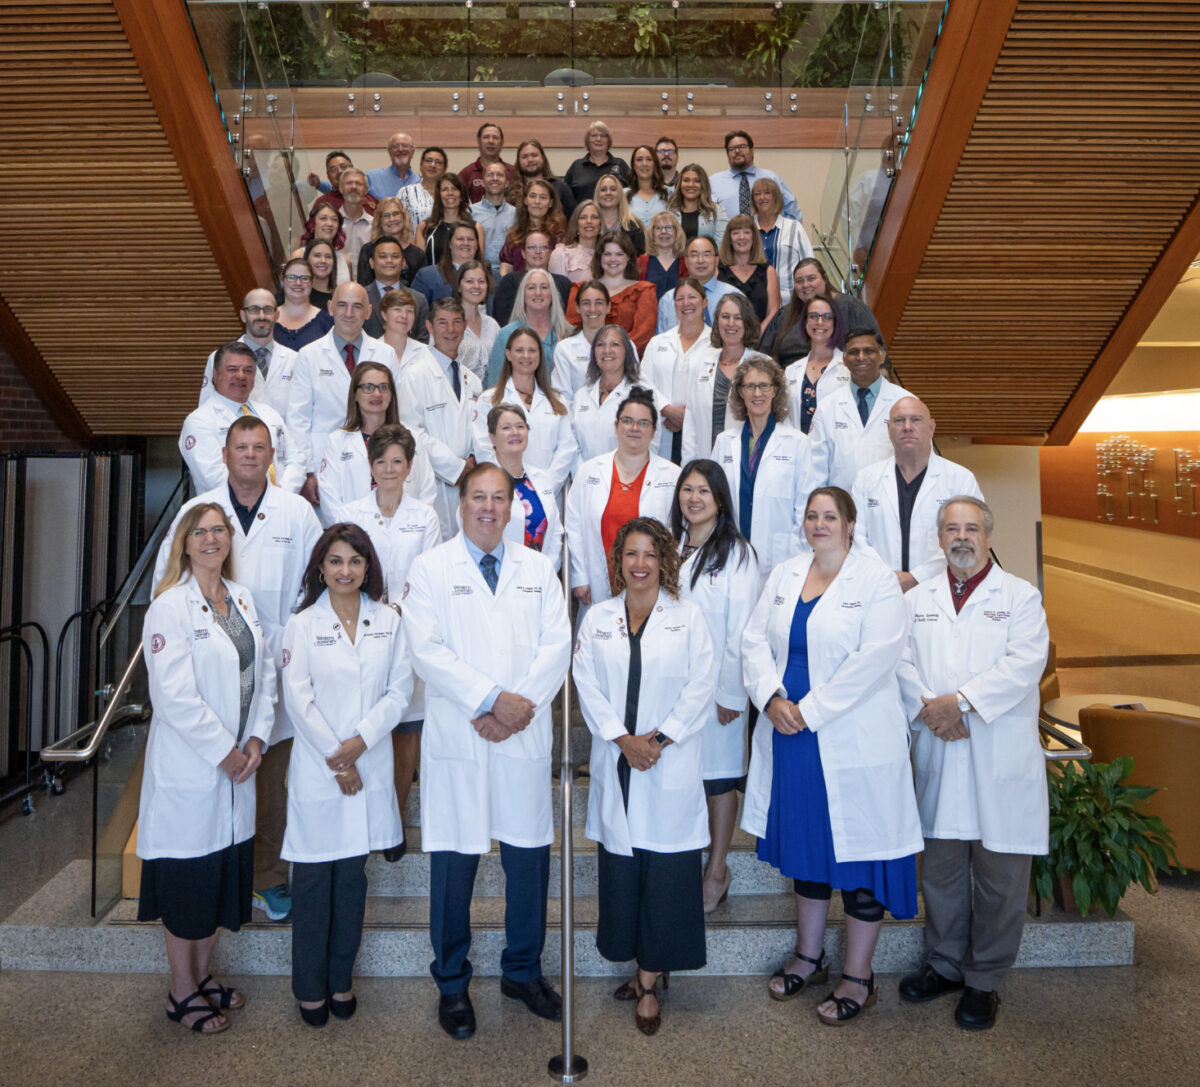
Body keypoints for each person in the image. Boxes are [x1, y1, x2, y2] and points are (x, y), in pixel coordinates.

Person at [741, 487, 923, 1025]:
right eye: (812, 516)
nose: (819, 524)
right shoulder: (786, 574)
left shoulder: (876, 582)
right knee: (808, 852)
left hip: (849, 736)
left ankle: (859, 976)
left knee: (860, 856)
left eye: (830, 517)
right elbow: (752, 641)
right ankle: (809, 955)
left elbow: (876, 660)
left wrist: (809, 710)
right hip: (790, 733)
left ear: (849, 524)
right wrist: (771, 698)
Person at [402, 463, 572, 1040]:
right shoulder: (430, 570)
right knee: (454, 867)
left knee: (528, 863)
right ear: (461, 503)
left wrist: (516, 710)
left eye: (501, 498)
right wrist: (494, 700)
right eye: (479, 496)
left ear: (513, 506)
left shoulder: (538, 568)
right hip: (462, 734)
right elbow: (426, 651)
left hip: (518, 734)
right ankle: (451, 984)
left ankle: (521, 971)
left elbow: (557, 644)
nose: (490, 508)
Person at [155, 416, 324, 923]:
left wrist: (295, 630)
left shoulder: (296, 511)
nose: (250, 455)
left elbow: (317, 580)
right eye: (240, 447)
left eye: (259, 447)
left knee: (269, 779)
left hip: (277, 667)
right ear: (224, 455)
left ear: (272, 455)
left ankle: (268, 878)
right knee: (216, 777)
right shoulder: (195, 511)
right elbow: (168, 584)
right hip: (207, 671)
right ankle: (224, 882)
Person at [895, 497, 1049, 1031]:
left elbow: (1024, 665)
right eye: (951, 529)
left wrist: (958, 703)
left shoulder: (1021, 597)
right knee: (939, 874)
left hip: (996, 751)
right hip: (940, 746)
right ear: (939, 539)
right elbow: (900, 661)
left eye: (971, 528)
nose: (961, 537)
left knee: (1000, 878)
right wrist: (932, 711)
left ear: (988, 534)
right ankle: (942, 965)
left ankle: (984, 980)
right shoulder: (919, 600)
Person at [572, 517, 715, 1035]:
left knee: (665, 880)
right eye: (630, 554)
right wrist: (621, 739)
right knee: (625, 877)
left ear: (664, 561)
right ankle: (638, 968)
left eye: (649, 554)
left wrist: (658, 740)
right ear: (618, 561)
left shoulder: (688, 617)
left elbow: (701, 684)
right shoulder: (599, 619)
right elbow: (585, 682)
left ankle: (650, 984)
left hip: (666, 761)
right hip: (620, 761)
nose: (639, 564)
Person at [138, 501, 274, 1035]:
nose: (212, 539)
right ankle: (180, 991)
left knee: (218, 879)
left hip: (239, 768)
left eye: (220, 530)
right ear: (184, 543)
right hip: (195, 770)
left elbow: (263, 677)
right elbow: (173, 697)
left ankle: (201, 977)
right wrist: (226, 752)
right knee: (188, 882)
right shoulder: (169, 607)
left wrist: (258, 737)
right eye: (201, 532)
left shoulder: (240, 598)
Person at [281, 523, 413, 1027]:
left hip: (369, 762)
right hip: (322, 770)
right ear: (321, 567)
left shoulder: (388, 621)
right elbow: (299, 699)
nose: (345, 570)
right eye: (336, 561)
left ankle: (341, 978)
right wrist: (339, 758)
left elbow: (399, 692)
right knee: (314, 883)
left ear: (367, 568)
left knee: (351, 884)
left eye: (355, 561)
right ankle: (309, 987)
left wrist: (360, 742)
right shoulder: (302, 625)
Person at [341, 425, 441, 865]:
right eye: (381, 462)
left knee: (405, 731)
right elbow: (342, 572)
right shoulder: (351, 514)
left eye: (397, 462)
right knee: (369, 727)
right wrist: (374, 614)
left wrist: (396, 612)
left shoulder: (426, 516)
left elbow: (427, 577)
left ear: (409, 467)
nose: (388, 469)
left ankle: (395, 821)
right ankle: (364, 820)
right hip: (360, 633)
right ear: (370, 466)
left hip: (409, 630)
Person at [670, 462, 758, 912]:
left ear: (720, 500)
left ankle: (717, 869)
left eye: (704, 490)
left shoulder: (737, 554)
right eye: (687, 489)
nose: (694, 498)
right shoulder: (669, 547)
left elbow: (743, 630)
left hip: (718, 693)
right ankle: (687, 866)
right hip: (673, 691)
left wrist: (730, 694)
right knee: (685, 778)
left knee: (719, 782)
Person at [286, 282, 401, 507]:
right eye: (342, 305)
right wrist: (307, 472)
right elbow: (297, 419)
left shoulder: (386, 354)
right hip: (323, 465)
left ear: (369, 312)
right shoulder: (309, 356)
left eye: (357, 306)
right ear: (330, 308)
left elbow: (395, 412)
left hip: (376, 460)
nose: (349, 313)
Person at [851, 397, 984, 591]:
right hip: (879, 588)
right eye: (899, 420)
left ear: (931, 427)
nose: (907, 427)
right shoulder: (866, 479)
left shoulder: (960, 480)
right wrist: (887, 578)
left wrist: (917, 577)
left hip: (941, 588)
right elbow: (856, 536)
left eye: (916, 419)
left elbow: (972, 537)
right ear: (888, 429)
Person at [565, 387, 680, 608]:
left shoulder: (673, 476)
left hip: (652, 585)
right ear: (616, 426)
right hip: (598, 585)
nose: (634, 428)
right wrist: (580, 577)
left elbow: (678, 535)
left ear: (654, 430)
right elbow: (574, 526)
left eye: (643, 423)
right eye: (627, 421)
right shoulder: (589, 471)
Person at [711, 355, 816, 582]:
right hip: (732, 552)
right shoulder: (724, 442)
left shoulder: (798, 443)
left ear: (775, 391)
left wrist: (796, 554)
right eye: (750, 386)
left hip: (781, 556)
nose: (757, 394)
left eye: (764, 386)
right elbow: (714, 502)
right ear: (740, 392)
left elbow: (805, 505)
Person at [396, 298, 482, 539]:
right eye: (442, 323)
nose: (451, 330)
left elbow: (480, 427)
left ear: (465, 326)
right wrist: (456, 467)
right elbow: (411, 431)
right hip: (434, 483)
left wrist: (474, 459)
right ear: (429, 327)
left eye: (456, 322)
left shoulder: (471, 380)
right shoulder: (414, 375)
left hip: (469, 481)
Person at [317, 361, 437, 526]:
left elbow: (427, 490)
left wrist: (410, 528)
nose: (377, 393)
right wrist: (353, 538)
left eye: (383, 387)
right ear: (355, 395)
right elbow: (330, 500)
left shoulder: (412, 437)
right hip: (354, 538)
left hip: (407, 532)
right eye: (368, 387)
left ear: (391, 394)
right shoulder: (337, 442)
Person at [181, 342, 304, 494]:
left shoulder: (270, 414)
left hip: (281, 505)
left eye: (248, 370)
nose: (241, 376)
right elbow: (213, 477)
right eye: (232, 369)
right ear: (215, 374)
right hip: (226, 513)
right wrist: (264, 496)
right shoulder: (199, 421)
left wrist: (283, 493)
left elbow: (296, 459)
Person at [473, 327, 577, 498]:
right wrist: (508, 486)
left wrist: (546, 486)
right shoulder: (488, 400)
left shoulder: (557, 401)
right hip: (505, 494)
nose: (526, 356)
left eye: (532, 350)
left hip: (549, 493)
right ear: (508, 354)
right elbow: (484, 448)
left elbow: (567, 447)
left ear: (540, 355)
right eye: (519, 350)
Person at [809, 328, 913, 491]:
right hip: (842, 506)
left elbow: (919, 459)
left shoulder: (907, 403)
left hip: (891, 503)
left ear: (882, 356)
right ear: (844, 358)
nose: (861, 357)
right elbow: (816, 469)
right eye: (853, 352)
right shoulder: (828, 407)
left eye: (869, 351)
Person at [477, 402, 564, 567]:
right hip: (498, 576)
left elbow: (555, 532)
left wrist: (547, 569)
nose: (515, 432)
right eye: (506, 428)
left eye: (520, 426)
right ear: (492, 437)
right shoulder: (480, 481)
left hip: (539, 576)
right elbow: (472, 532)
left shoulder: (541, 479)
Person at [568, 325, 668, 465]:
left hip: (628, 477)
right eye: (600, 345)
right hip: (585, 477)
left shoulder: (641, 393)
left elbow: (652, 441)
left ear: (626, 351)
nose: (607, 350)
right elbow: (571, 442)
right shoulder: (581, 395)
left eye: (614, 344)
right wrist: (583, 473)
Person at [644, 278, 716, 465]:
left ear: (704, 302)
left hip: (701, 428)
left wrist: (688, 415)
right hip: (663, 425)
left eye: (692, 297)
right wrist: (667, 409)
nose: (686, 304)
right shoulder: (658, 342)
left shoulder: (717, 345)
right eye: (680, 299)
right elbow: (642, 381)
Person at [679, 291, 756, 463]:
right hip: (706, 460)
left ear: (747, 322)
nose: (731, 323)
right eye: (725, 316)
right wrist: (688, 464)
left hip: (746, 463)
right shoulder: (701, 364)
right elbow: (691, 420)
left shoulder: (762, 365)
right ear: (717, 321)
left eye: (738, 317)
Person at [760, 257, 881, 366]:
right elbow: (764, 356)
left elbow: (876, 347)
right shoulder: (784, 315)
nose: (805, 285)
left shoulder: (851, 308)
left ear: (824, 278)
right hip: (789, 381)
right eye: (799, 281)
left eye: (811, 278)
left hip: (840, 379)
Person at [199, 288, 296, 416]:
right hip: (235, 433)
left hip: (282, 434)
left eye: (267, 310)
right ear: (243, 316)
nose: (261, 316)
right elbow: (206, 407)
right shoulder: (219, 357)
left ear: (276, 316)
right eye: (254, 310)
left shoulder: (295, 359)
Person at [565, 231, 657, 354]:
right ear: (599, 257)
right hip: (584, 359)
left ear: (628, 257)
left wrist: (612, 354)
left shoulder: (643, 291)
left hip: (627, 362)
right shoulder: (580, 289)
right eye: (607, 254)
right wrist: (594, 354)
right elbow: (573, 327)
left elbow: (643, 334)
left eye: (619, 254)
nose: (613, 259)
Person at [485, 267, 572, 388]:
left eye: (544, 287)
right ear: (523, 294)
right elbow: (495, 385)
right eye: (531, 287)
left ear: (553, 294)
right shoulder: (506, 335)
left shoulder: (570, 334)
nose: (538, 293)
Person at [782, 294, 848, 435]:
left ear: (835, 323)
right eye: (813, 316)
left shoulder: (848, 368)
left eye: (827, 317)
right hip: (800, 451)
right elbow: (783, 415)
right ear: (805, 322)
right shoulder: (791, 371)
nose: (819, 322)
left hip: (836, 451)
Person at [656, 235, 744, 333]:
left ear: (716, 260)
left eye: (706, 255)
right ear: (685, 261)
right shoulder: (669, 299)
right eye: (694, 255)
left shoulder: (734, 296)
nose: (700, 260)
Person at [709, 130, 800, 222]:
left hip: (767, 235)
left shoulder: (771, 178)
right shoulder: (714, 181)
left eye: (742, 147)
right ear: (727, 154)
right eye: (732, 149)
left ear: (752, 151)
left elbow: (792, 210)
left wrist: (788, 234)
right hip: (728, 235)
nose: (737, 151)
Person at [493, 229, 572, 326]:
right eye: (531, 247)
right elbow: (504, 319)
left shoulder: (564, 283)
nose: (538, 251)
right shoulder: (509, 282)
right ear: (523, 253)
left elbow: (569, 320)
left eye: (543, 247)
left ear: (550, 253)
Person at [552, 279, 610, 402]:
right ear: (578, 307)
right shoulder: (564, 349)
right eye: (586, 303)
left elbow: (633, 385)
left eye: (599, 302)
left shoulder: (625, 345)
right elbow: (562, 396)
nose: (592, 309)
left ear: (608, 307)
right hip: (576, 418)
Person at [718, 214, 780, 326]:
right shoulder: (717, 271)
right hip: (725, 339)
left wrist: (757, 336)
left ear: (754, 237)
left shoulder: (769, 272)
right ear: (729, 239)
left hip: (760, 339)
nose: (741, 237)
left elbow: (773, 311)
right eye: (735, 233)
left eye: (746, 232)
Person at [363, 237, 429, 340]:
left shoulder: (419, 299)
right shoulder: (361, 297)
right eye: (382, 256)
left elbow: (422, 340)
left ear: (403, 263)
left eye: (395, 256)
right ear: (372, 262)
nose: (389, 261)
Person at [498, 179, 567, 275]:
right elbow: (505, 268)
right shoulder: (514, 234)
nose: (537, 201)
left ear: (550, 203)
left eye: (543, 197)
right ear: (525, 200)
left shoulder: (560, 234)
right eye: (532, 196)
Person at [752, 177, 813, 287]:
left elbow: (809, 263)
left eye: (767, 193)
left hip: (789, 297)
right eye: (757, 194)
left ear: (776, 197)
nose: (762, 197)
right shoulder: (747, 228)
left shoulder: (794, 227)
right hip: (754, 297)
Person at [416, 174, 486, 266]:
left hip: (463, 279)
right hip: (433, 279)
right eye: (445, 189)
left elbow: (478, 264)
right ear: (439, 196)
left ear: (461, 195)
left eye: (454, 189)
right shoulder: (424, 227)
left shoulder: (476, 228)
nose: (450, 193)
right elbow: (420, 265)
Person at [355, 197, 425, 288]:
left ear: (404, 217)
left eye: (396, 214)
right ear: (379, 221)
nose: (392, 219)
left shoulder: (418, 254)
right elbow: (363, 289)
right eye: (386, 215)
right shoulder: (368, 250)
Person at [274, 257, 334, 353]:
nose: (298, 283)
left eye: (304, 278)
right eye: (292, 277)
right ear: (283, 280)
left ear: (312, 282)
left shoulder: (326, 321)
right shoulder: (268, 317)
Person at [454, 260, 500, 384]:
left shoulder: (492, 325)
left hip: (491, 398)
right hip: (459, 397)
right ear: (459, 286)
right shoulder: (448, 324)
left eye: (481, 281)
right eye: (469, 281)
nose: (476, 286)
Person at [565, 120, 631, 203]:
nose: (599, 139)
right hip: (584, 215)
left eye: (603, 136)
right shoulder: (576, 166)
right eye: (594, 135)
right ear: (588, 140)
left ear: (608, 141)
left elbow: (632, 193)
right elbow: (565, 198)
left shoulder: (620, 164)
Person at [511, 138, 576, 219]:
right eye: (524, 157)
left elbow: (573, 220)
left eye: (534, 155)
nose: (530, 160)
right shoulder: (510, 191)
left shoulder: (561, 188)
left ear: (543, 158)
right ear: (518, 161)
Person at [471, 162, 516, 277]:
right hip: (479, 274)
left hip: (509, 274)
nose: (495, 178)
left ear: (506, 183)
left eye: (500, 175)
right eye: (490, 175)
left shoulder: (517, 214)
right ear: (483, 182)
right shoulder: (470, 212)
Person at [377, 287, 436, 373]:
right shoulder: (372, 352)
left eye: (409, 311)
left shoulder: (425, 353)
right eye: (397, 309)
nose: (404, 315)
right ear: (384, 314)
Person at [666, 163, 727, 246]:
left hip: (706, 258)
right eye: (686, 180)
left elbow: (721, 243)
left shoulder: (717, 211)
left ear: (703, 185)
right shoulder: (669, 211)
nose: (691, 185)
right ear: (679, 184)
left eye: (697, 181)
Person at [296, 203, 354, 287]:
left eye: (334, 220)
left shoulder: (345, 260)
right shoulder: (299, 255)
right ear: (312, 225)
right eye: (323, 218)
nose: (329, 223)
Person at [458, 121, 515, 205]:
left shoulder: (513, 172)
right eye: (486, 137)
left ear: (502, 143)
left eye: (495, 137)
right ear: (479, 141)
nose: (490, 141)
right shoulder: (467, 173)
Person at [549, 200, 603, 284]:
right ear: (576, 225)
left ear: (600, 225)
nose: (589, 221)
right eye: (583, 217)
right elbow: (559, 292)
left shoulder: (607, 256)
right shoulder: (562, 254)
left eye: (594, 217)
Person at [638, 211, 688, 300]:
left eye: (669, 227)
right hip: (649, 313)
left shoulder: (687, 263)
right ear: (652, 234)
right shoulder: (640, 263)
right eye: (658, 228)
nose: (663, 231)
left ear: (677, 232)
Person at [397, 146, 449, 230]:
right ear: (420, 165)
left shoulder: (452, 194)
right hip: (414, 242)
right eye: (428, 160)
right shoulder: (406, 192)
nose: (433, 165)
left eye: (438, 162)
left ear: (444, 169)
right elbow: (398, 224)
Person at [594, 173, 646, 255]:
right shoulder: (591, 225)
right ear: (597, 195)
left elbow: (639, 259)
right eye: (603, 190)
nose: (608, 193)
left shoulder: (634, 226)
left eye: (613, 189)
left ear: (620, 194)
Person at [627, 144, 670, 227]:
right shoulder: (623, 195)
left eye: (649, 159)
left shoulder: (668, 193)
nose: (644, 164)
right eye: (639, 160)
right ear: (633, 166)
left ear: (655, 165)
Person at [366, 132, 420, 200]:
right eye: (395, 146)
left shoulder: (420, 182)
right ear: (389, 152)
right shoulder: (371, 178)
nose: (400, 149)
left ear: (412, 152)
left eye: (405, 146)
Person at [303, 239, 345, 311]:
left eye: (328, 256)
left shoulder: (342, 297)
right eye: (317, 255)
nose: (323, 261)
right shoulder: (296, 293)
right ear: (307, 260)